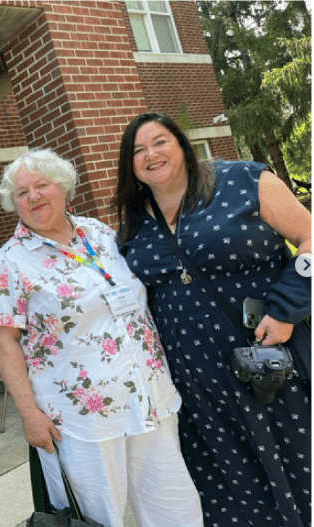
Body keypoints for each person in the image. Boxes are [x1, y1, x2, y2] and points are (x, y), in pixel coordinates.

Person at [0, 148, 203, 527]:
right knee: (94, 519)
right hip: (80, 420)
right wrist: (29, 415)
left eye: (42, 185)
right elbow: (5, 343)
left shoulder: (101, 234)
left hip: (148, 397)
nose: (33, 196)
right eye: (22, 193)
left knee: (175, 507)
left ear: (64, 188)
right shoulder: (9, 262)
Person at [113, 112, 311, 527]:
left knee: (300, 461)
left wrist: (286, 309)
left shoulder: (244, 180)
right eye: (138, 150)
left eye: (160, 141)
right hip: (198, 385)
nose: (151, 154)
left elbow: (309, 237)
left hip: (273, 359)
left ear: (182, 145)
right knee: (235, 489)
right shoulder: (133, 224)